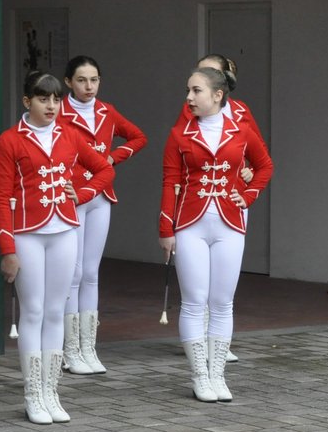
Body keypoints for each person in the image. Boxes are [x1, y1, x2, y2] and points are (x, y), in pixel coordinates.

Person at [0, 71, 114, 424]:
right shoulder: (9, 140)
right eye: (43, 98)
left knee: (54, 311)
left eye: (56, 99)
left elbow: (104, 170)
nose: (51, 105)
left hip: (64, 231)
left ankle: (51, 391)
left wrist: (87, 192)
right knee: (32, 312)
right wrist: (7, 248)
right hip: (28, 233)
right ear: (27, 101)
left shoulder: (71, 135)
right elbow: (1, 198)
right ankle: (33, 393)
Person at [160, 65, 272, 403]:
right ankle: (199, 376)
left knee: (223, 302)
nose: (189, 98)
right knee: (194, 302)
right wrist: (166, 228)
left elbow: (265, 165)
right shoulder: (180, 135)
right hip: (190, 224)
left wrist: (249, 195)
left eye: (196, 91)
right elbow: (169, 181)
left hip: (230, 223)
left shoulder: (241, 130)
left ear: (217, 95)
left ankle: (218, 374)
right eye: (188, 90)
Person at [59, 56, 147, 377]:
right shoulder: (61, 111)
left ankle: (88, 347)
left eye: (94, 80)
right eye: (81, 80)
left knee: (92, 272)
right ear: (69, 81)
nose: (88, 87)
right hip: (71, 196)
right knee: (73, 272)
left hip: (101, 195)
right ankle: (69, 349)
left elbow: (138, 137)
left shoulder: (106, 111)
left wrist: (112, 157)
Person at [195, 54, 261, 363]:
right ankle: (201, 333)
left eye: (210, 71)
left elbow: (257, 154)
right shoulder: (191, 109)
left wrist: (248, 172)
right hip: (200, 205)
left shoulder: (241, 111)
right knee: (200, 275)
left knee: (224, 272)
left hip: (233, 198)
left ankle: (220, 338)